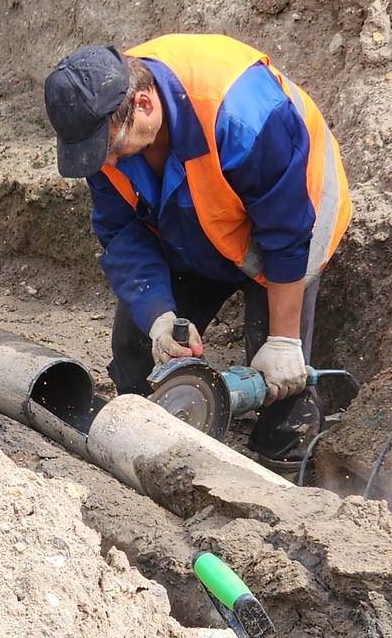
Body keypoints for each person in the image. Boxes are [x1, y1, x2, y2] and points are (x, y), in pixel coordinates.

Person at [43, 34, 352, 472]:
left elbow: (286, 233)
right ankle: (144, 446)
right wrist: (159, 317)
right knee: (136, 352)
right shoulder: (102, 125)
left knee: (283, 383)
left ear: (145, 104)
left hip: (292, 226)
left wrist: (283, 341)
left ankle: (286, 466)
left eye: (111, 150)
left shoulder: (244, 114)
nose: (107, 164)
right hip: (197, 220)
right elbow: (120, 230)